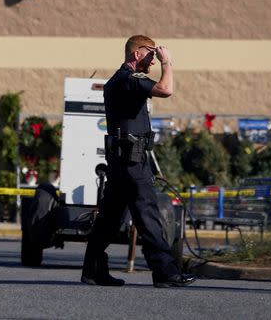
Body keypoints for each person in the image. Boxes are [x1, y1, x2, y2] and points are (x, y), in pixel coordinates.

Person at [81, 35, 196, 288]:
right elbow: (166, 89)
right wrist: (168, 63)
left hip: (121, 160)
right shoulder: (129, 79)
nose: (154, 58)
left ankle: (93, 270)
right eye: (151, 53)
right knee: (148, 215)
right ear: (136, 54)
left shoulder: (116, 81)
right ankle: (166, 273)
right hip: (132, 162)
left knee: (109, 219)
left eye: (157, 55)